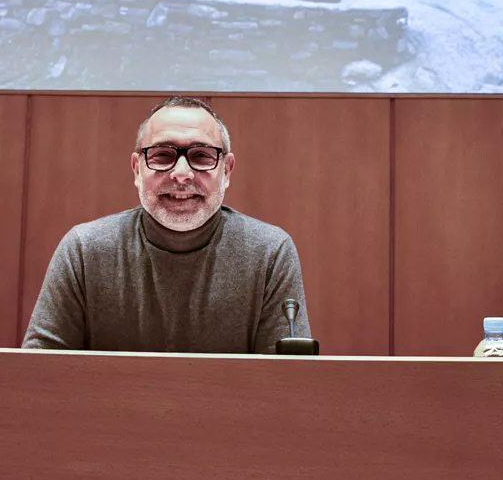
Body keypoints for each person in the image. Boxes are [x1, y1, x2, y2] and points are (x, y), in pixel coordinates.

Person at [23, 96, 312, 353]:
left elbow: (285, 386)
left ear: (227, 170)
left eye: (201, 156)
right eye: (163, 155)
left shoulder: (270, 253)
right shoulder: (84, 250)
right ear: (138, 169)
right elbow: (39, 375)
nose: (182, 173)